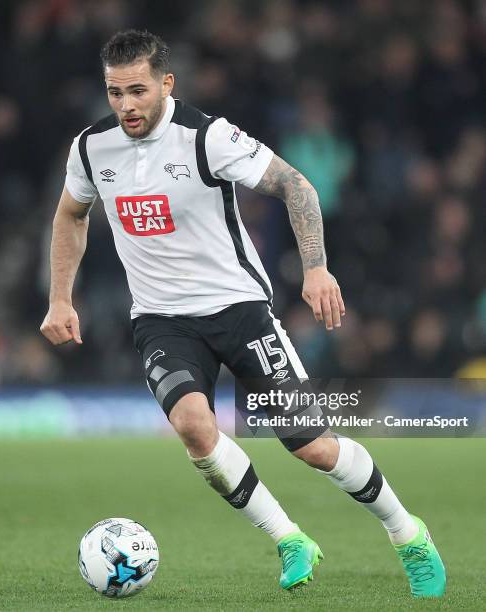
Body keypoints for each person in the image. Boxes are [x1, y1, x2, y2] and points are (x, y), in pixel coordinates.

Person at [40, 29, 445, 598]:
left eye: (137, 90)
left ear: (166, 83)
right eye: (114, 93)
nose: (126, 105)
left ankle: (408, 534)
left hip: (239, 311)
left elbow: (296, 186)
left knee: (312, 444)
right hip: (161, 319)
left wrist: (316, 268)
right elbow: (71, 215)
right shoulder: (91, 147)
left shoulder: (208, 137)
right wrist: (61, 297)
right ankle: (289, 539)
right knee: (193, 427)